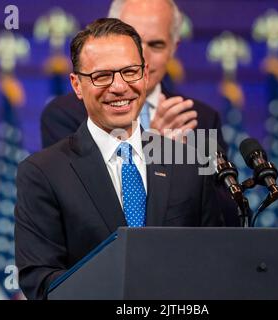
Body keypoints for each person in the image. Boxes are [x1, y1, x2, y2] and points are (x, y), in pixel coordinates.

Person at [14, 18, 224, 300]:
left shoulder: (188, 162)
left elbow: (214, 262)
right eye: (102, 76)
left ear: (146, 75)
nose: (119, 87)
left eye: (130, 72)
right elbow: (40, 281)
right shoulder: (43, 172)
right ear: (77, 85)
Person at [40, 0, 227, 151]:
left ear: (173, 49)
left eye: (156, 45)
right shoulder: (63, 114)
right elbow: (79, 193)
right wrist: (154, 147)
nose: (143, 57)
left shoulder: (199, 119)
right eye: (132, 43)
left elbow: (213, 197)